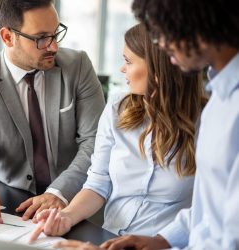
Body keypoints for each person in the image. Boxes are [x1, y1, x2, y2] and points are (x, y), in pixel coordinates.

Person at [54, 0, 239, 249]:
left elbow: (228, 237)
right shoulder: (221, 101)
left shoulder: (220, 111)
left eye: (167, 30)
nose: (162, 43)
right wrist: (159, 241)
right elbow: (207, 213)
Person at [29, 23, 206, 243]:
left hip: (166, 245)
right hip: (108, 239)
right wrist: (66, 216)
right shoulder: (117, 108)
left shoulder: (207, 121)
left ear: (159, 70)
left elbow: (209, 208)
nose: (122, 69)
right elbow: (97, 184)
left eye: (129, 61)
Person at [0, 0, 105, 228]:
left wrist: (58, 193)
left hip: (76, 202)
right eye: (41, 38)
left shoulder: (78, 66)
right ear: (7, 37)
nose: (53, 47)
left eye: (55, 33)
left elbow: (95, 142)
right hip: (14, 207)